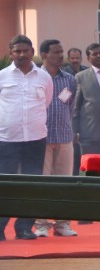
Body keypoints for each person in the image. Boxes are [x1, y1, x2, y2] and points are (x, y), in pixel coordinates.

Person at [0, 35, 52, 241]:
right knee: (5, 185)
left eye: (25, 50)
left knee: (32, 185)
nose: (21, 55)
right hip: (7, 139)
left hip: (35, 139)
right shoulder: (2, 76)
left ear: (32, 52)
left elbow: (46, 101)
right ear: (11, 53)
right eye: (17, 51)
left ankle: (24, 227)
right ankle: (0, 227)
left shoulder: (44, 77)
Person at [33, 39, 77, 238]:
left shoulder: (69, 79)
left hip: (64, 136)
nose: (61, 56)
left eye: (62, 52)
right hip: (40, 137)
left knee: (64, 182)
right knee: (42, 183)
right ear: (44, 55)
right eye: (56, 52)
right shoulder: (35, 77)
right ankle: (41, 224)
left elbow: (71, 106)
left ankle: (62, 223)